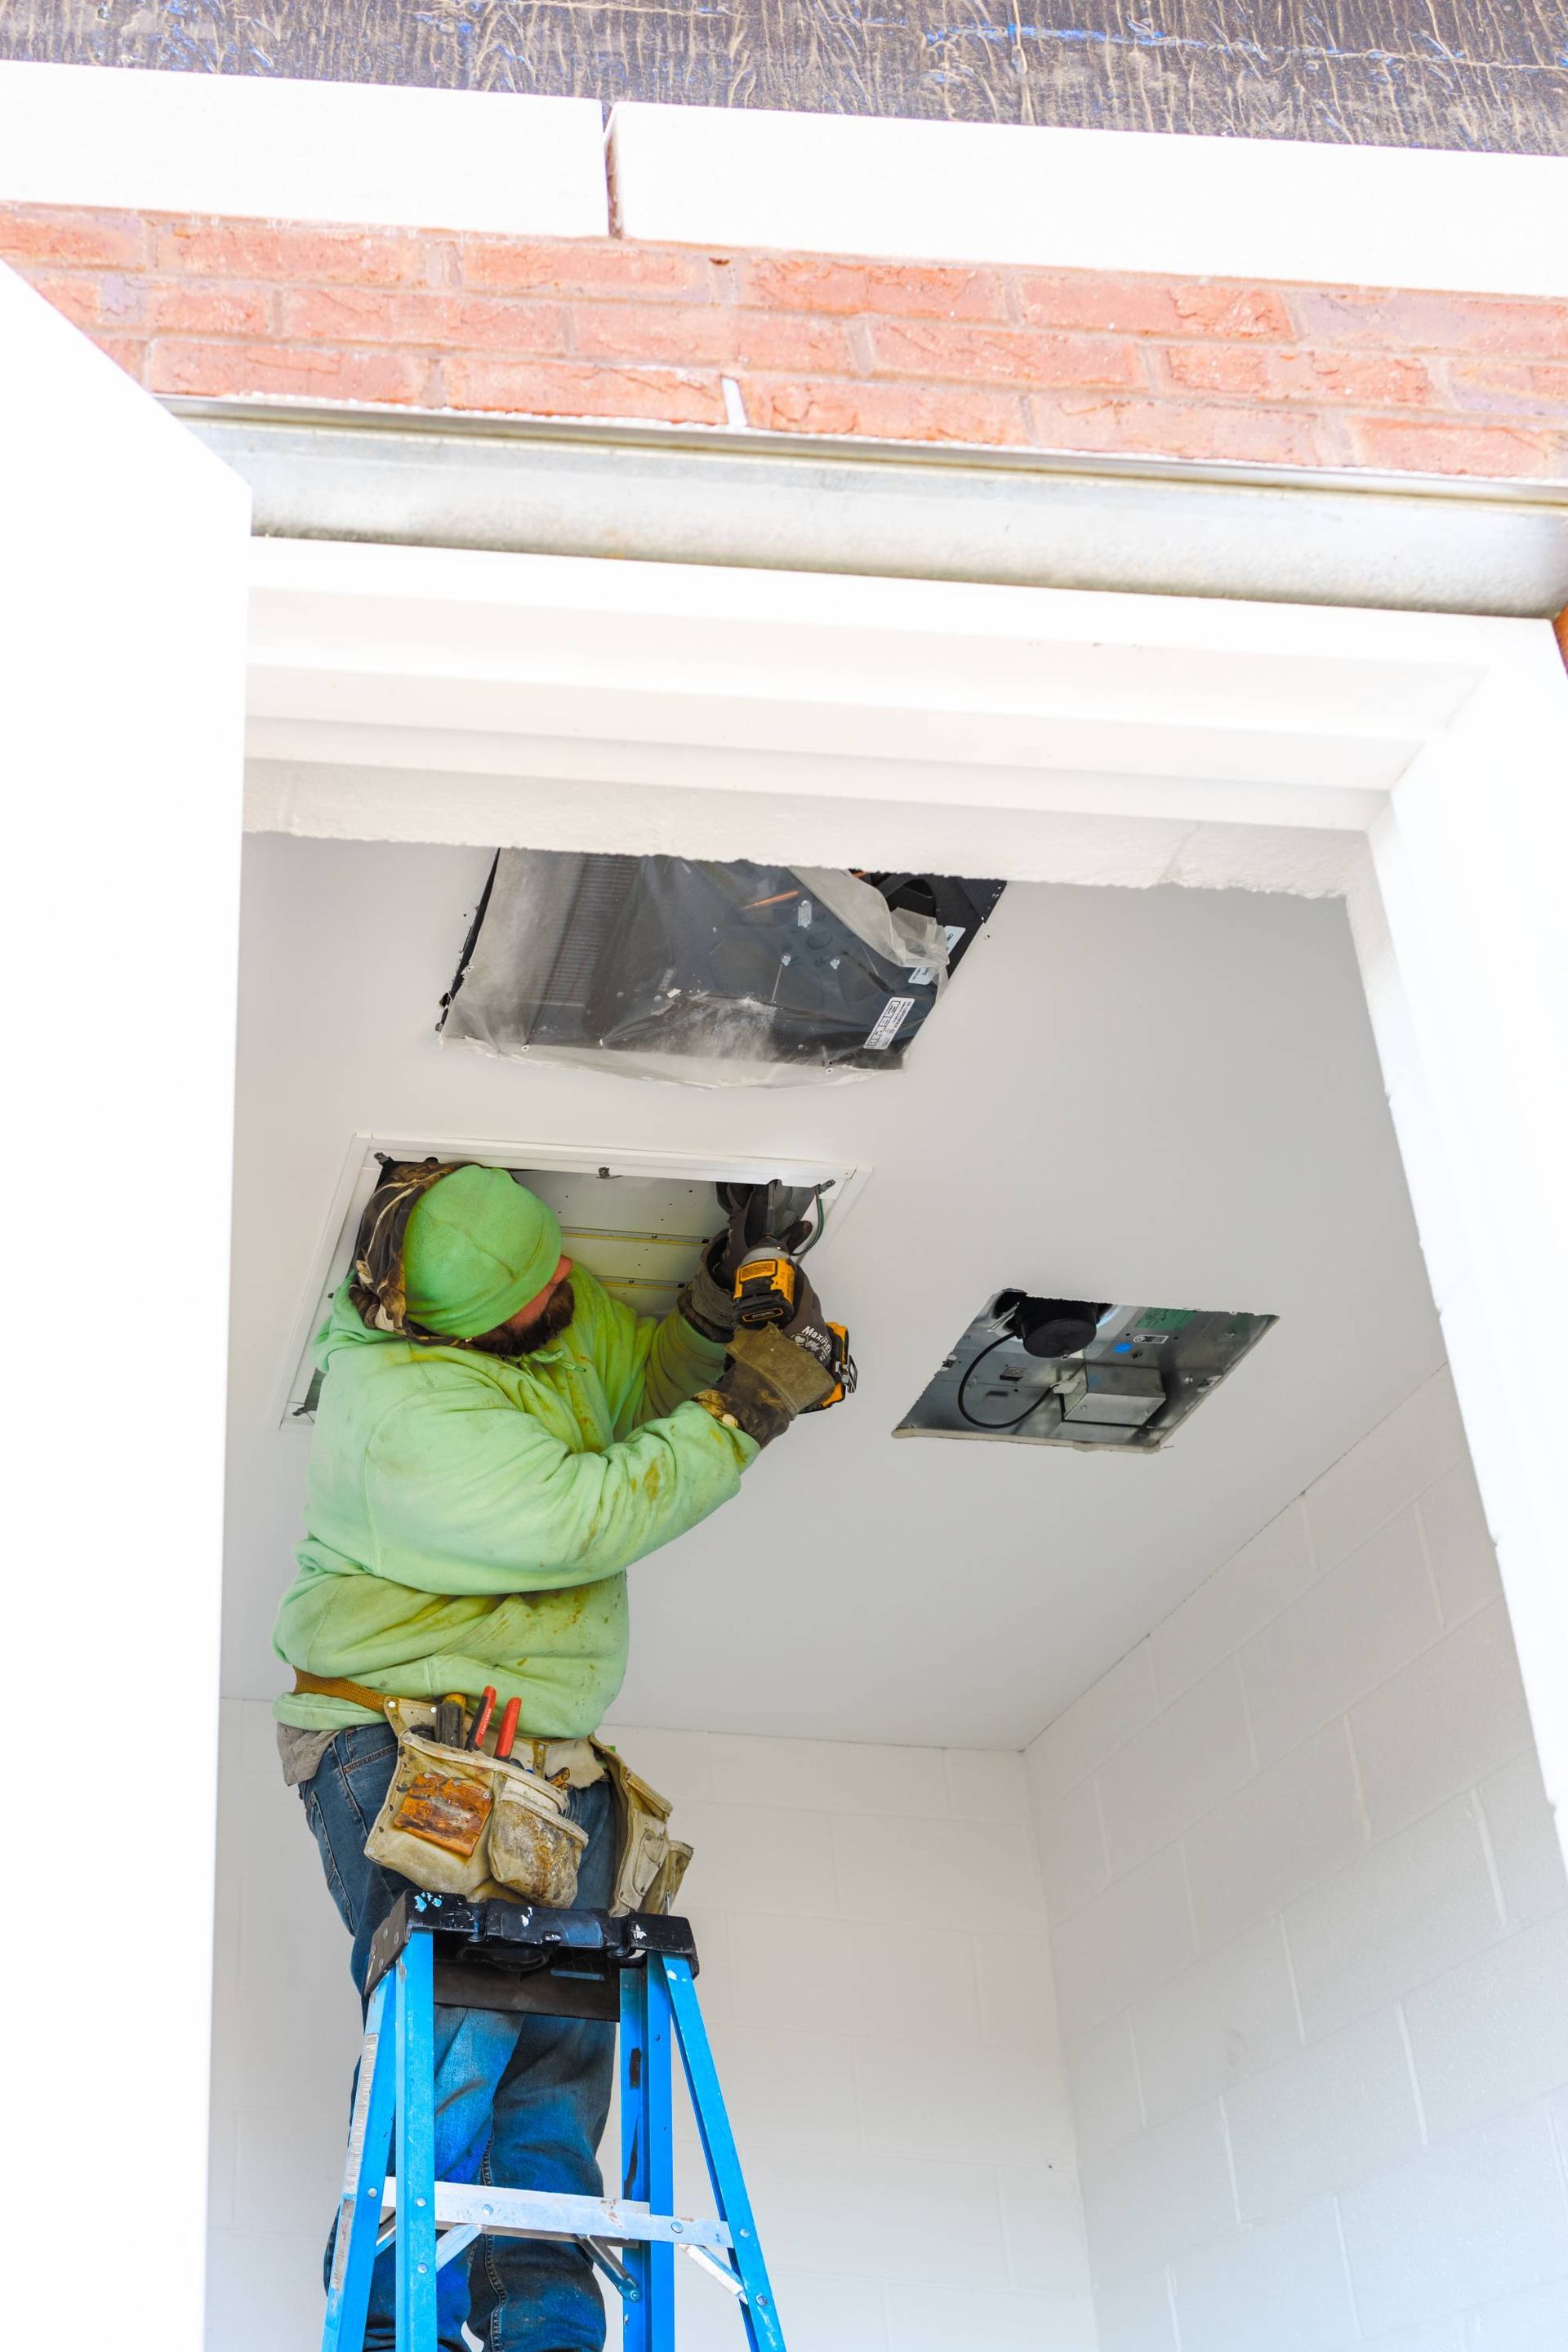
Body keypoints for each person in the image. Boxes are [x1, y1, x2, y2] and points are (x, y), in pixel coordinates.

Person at [271, 1160, 838, 2352]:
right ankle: (385, 2329)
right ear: (447, 1326)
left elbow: (633, 1382)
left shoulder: (541, 1321)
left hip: (542, 1759)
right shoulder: (403, 1417)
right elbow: (590, 1516)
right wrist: (748, 1412)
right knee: (459, 2051)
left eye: (555, 1265)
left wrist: (714, 1311)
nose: (567, 1288)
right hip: (404, 1736)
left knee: (560, 2068)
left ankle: (548, 2335)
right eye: (536, 1293)